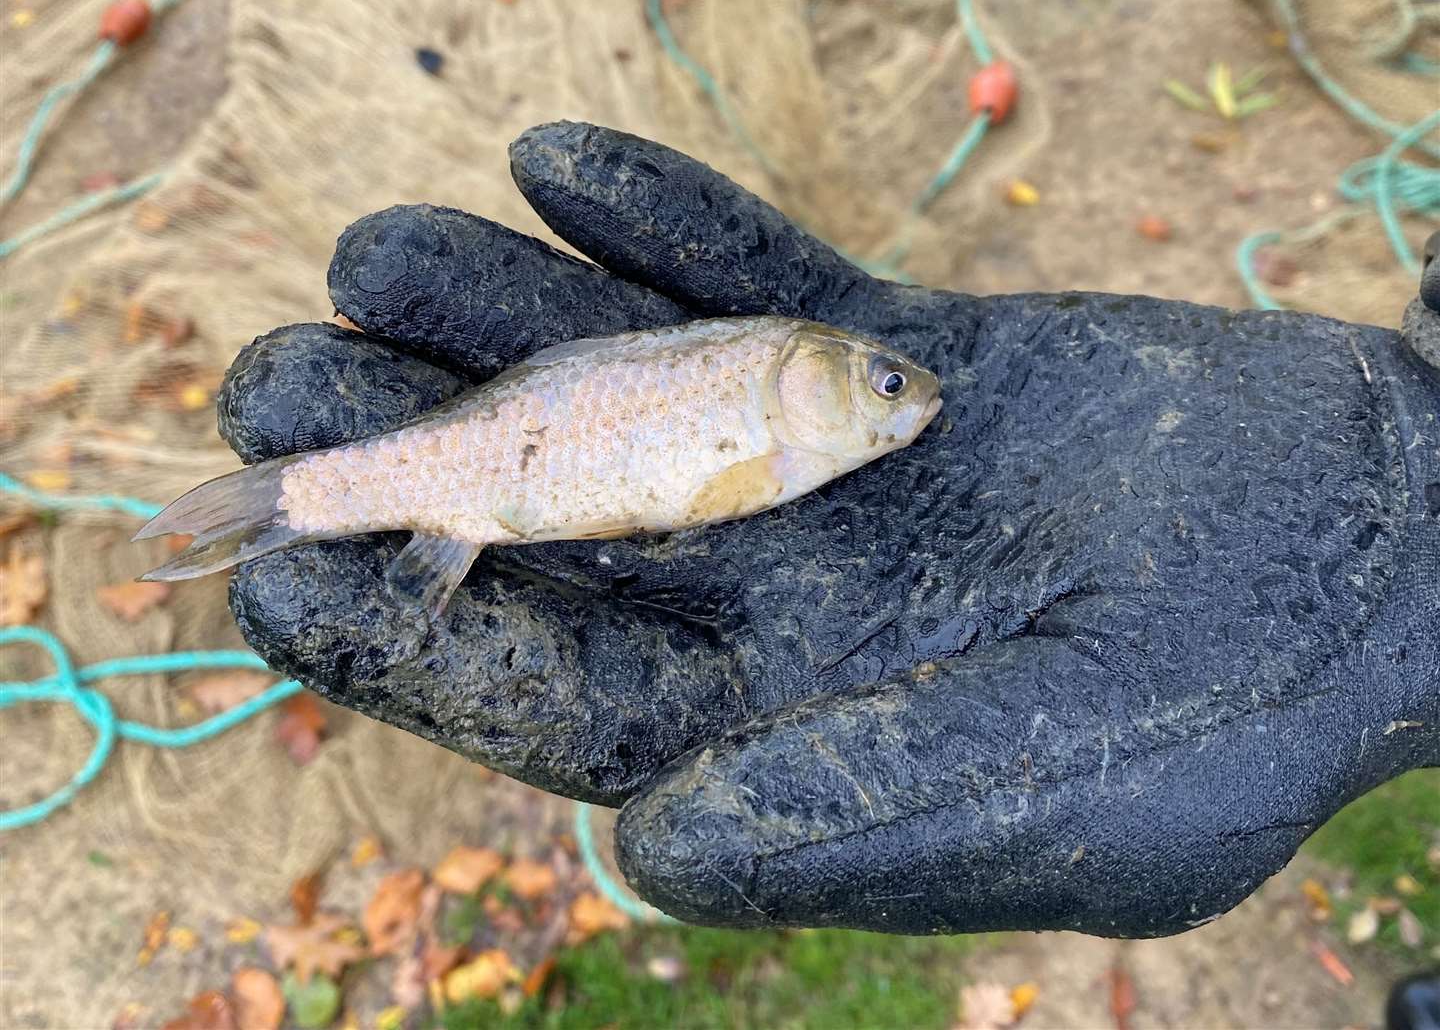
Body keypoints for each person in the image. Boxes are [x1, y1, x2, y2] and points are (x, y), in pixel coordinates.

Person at [217, 122, 1439, 935]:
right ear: (802, 382)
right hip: (519, 457)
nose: (907, 401)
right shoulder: (771, 390)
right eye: (884, 387)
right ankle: (306, 496)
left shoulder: (791, 403)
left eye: (891, 388)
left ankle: (314, 497)